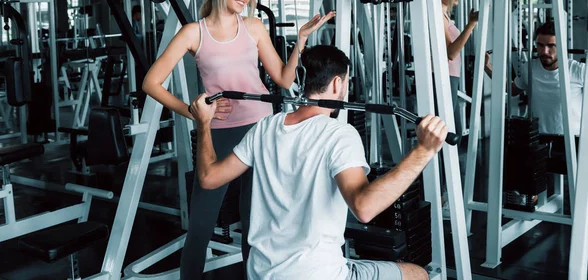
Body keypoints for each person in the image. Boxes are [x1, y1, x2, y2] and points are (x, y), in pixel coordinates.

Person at [141, 0, 334, 279]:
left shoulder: (254, 27)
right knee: (201, 226)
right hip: (219, 135)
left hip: (261, 130)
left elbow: (284, 81)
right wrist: (192, 111)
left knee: (254, 224)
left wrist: (299, 41)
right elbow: (151, 82)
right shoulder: (194, 32)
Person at [189, 44, 446, 280]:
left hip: (262, 274)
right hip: (319, 275)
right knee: (417, 274)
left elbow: (208, 178)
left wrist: (203, 122)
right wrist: (422, 151)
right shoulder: (338, 134)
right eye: (346, 82)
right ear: (337, 83)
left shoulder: (265, 127)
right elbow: (364, 208)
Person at [485, 21, 586, 136]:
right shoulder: (530, 68)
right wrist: (487, 66)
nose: (544, 51)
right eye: (540, 45)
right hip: (540, 138)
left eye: (551, 46)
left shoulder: (578, 70)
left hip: (573, 139)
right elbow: (511, 89)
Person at [439, 0, 478, 136]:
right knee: (451, 131)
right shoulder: (438, 15)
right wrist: (470, 25)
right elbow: (450, 53)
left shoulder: (445, 16)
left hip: (451, 77)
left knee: (455, 130)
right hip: (445, 77)